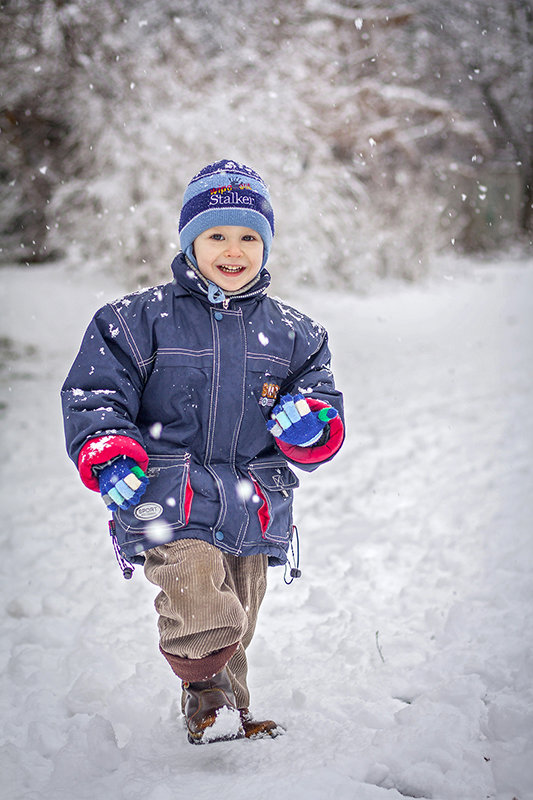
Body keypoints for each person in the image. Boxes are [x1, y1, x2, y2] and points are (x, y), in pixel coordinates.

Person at [61, 159, 345, 745]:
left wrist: (310, 428)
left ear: (266, 245)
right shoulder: (137, 321)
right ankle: (206, 690)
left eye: (249, 236)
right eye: (216, 234)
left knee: (236, 618)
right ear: (190, 240)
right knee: (194, 587)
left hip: (252, 502)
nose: (233, 249)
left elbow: (320, 408)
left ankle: (223, 709)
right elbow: (97, 393)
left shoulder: (296, 334)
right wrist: (109, 447)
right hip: (168, 494)